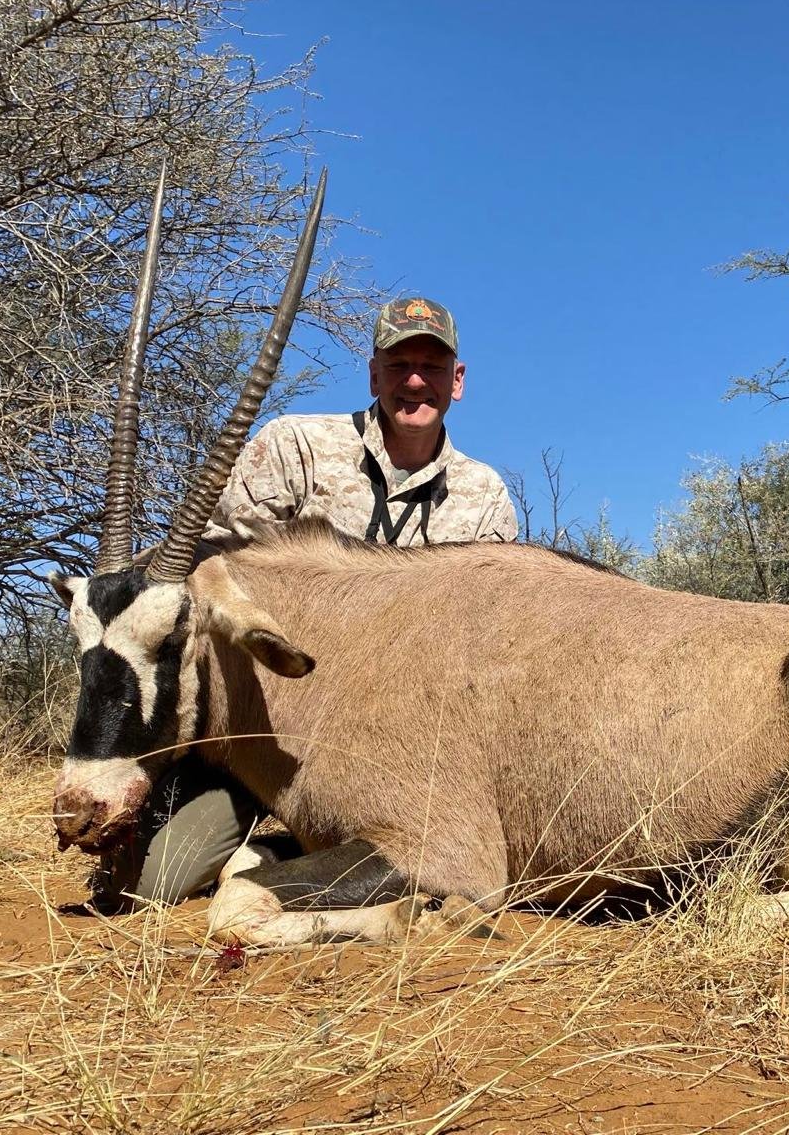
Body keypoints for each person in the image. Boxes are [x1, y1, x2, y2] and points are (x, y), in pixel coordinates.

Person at [94, 296, 518, 906]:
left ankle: (292, 852)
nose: (415, 380)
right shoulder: (297, 445)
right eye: (399, 366)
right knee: (150, 884)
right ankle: (279, 836)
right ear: (374, 374)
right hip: (271, 723)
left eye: (431, 365)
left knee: (415, 838)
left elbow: (492, 630)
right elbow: (207, 560)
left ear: (458, 380)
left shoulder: (483, 495)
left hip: (404, 734)